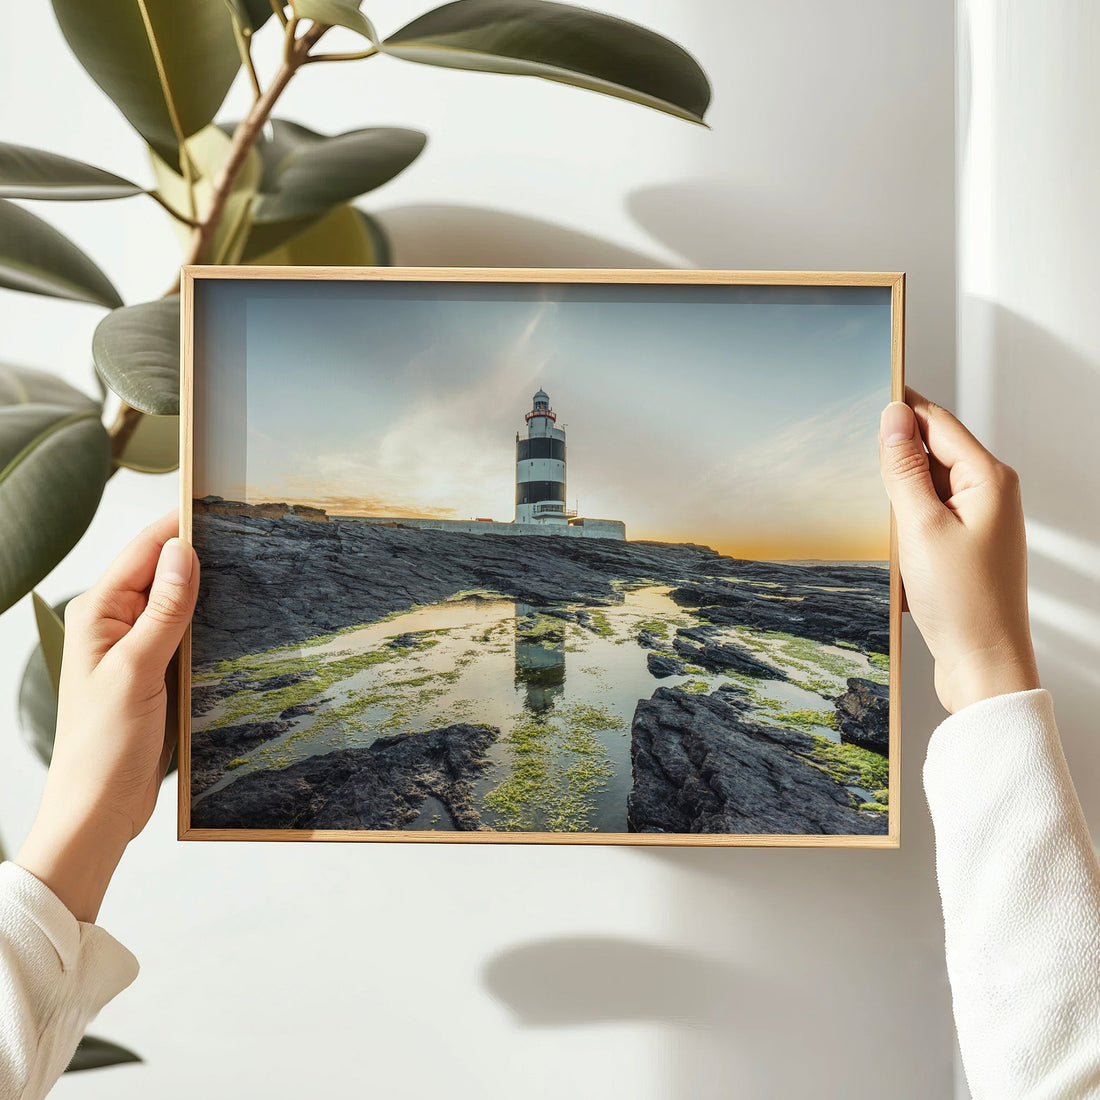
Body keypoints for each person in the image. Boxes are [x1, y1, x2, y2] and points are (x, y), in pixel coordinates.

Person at [0, 389, 1097, 1097]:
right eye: (537, 426)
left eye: (540, 426)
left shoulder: (551, 498)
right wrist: (988, 668)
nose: (538, 430)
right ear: (539, 440)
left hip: (549, 602)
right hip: (547, 598)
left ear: (542, 440)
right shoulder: (541, 501)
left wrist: (77, 831)